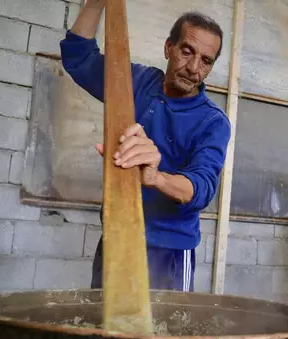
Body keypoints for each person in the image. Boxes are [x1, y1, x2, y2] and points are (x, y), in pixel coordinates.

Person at [59, 1, 231, 292]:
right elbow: (78, 56)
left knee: (167, 334)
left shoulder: (213, 122)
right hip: (117, 237)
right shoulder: (136, 82)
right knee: (103, 328)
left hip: (170, 250)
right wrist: (96, 3)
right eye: (187, 51)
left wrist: (156, 178)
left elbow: (201, 188)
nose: (193, 68)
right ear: (169, 48)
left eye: (206, 61)